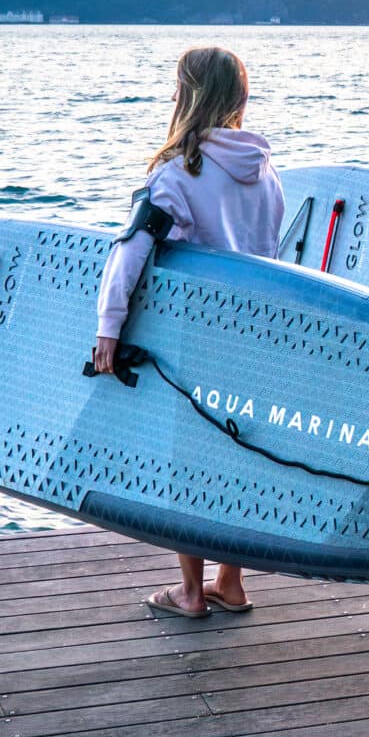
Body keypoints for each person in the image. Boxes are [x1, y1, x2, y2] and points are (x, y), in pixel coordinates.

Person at [92, 46, 287, 618]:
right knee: (241, 454)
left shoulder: (178, 173)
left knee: (188, 462)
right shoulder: (266, 172)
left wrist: (109, 327)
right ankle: (232, 581)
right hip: (257, 337)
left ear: (187, 95)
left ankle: (192, 592)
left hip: (197, 337)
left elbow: (132, 249)